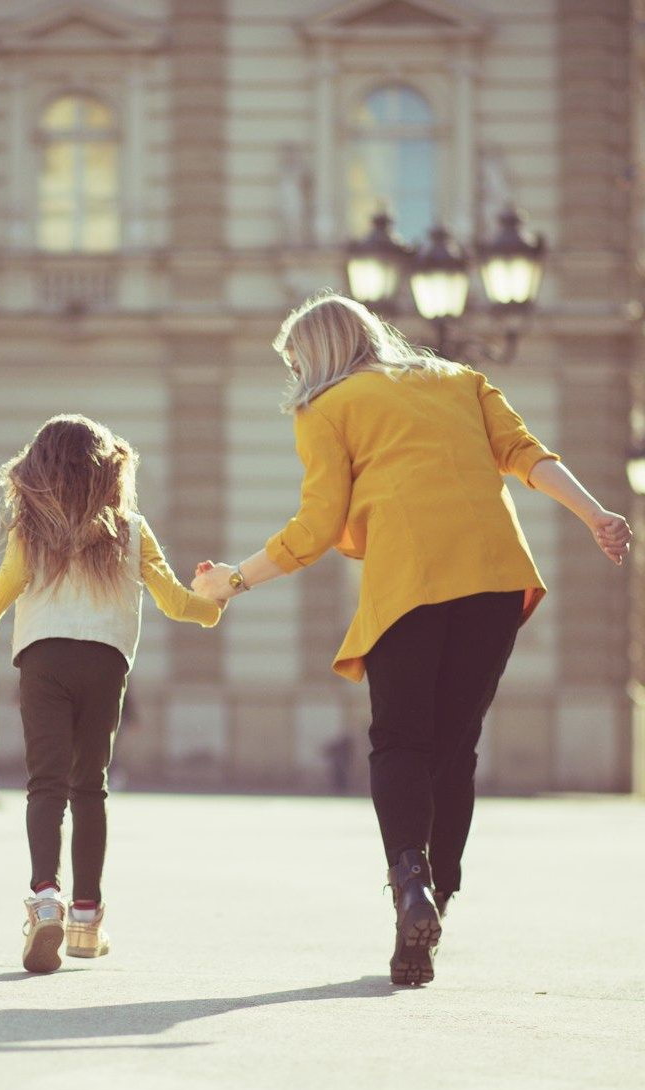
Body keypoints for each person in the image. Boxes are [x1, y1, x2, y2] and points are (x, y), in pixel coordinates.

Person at [192, 292, 632, 986]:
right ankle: (430, 919)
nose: (295, 375)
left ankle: (410, 886)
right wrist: (596, 512)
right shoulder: (460, 380)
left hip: (412, 585)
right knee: (453, 751)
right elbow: (525, 455)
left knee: (399, 743)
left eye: (296, 360)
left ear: (318, 354)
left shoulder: (326, 408)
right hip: (492, 580)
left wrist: (232, 582)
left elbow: (314, 528)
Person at [0, 416, 223, 974]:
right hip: (104, 662)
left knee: (45, 784)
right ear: (109, 471)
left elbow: (5, 584)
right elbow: (176, 602)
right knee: (90, 788)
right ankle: (85, 919)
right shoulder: (130, 529)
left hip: (43, 660)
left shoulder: (30, 528)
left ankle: (45, 899)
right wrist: (215, 604)